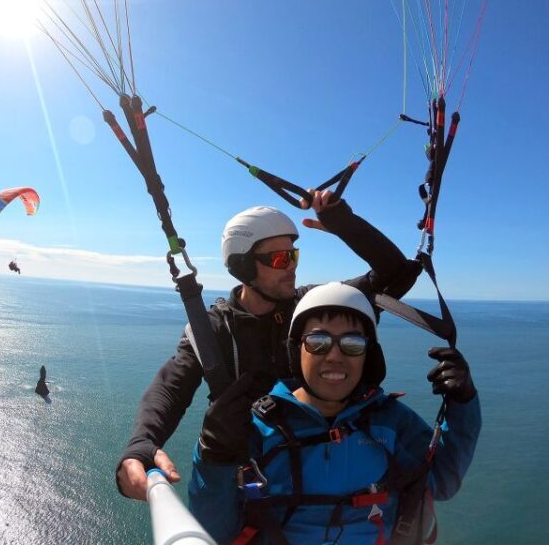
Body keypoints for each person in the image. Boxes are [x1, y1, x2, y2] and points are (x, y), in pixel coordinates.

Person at [117, 191, 422, 500]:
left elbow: (397, 274)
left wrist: (343, 222)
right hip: (260, 480)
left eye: (294, 255)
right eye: (279, 259)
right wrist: (142, 443)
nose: (291, 267)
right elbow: (171, 387)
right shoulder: (216, 329)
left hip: (329, 469)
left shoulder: (313, 307)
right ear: (245, 267)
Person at [188, 282, 481, 544]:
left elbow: (443, 480)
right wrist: (212, 455)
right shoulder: (257, 428)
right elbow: (214, 532)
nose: (334, 355)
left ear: (368, 357)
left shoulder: (389, 421)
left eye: (352, 344)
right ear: (296, 351)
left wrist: (463, 402)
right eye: (318, 342)